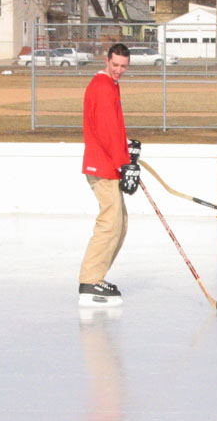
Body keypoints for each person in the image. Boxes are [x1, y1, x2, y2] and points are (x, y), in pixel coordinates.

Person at [79, 43, 141, 307]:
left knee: (120, 223)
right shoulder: (103, 86)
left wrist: (127, 150)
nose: (118, 70)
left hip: (109, 164)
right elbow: (105, 130)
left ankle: (97, 277)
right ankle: (90, 281)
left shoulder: (111, 85)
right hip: (102, 165)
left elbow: (113, 128)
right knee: (110, 223)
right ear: (106, 61)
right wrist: (124, 163)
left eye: (123, 66)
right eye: (115, 65)